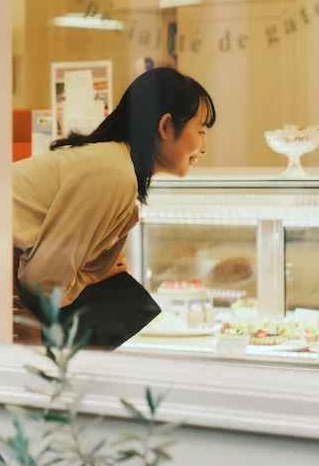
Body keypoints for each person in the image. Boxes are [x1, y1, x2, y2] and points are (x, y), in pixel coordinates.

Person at [12, 67, 216, 340]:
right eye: (201, 131)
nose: (203, 147)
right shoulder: (113, 174)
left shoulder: (112, 163)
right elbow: (43, 283)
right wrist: (94, 275)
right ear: (166, 126)